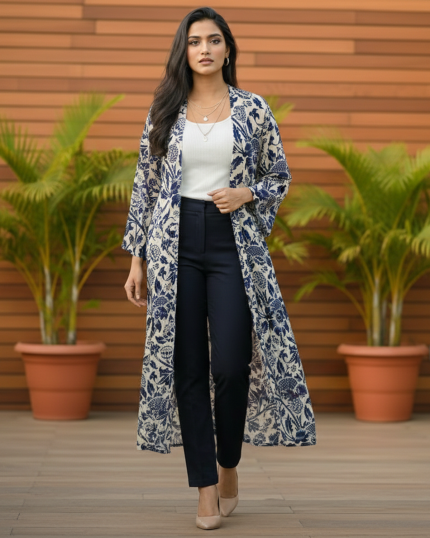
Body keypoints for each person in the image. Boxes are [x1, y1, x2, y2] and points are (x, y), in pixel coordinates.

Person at [122, 6, 317, 531]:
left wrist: (246, 192)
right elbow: (145, 184)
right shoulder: (165, 108)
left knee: (231, 364)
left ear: (228, 49)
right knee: (187, 368)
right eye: (194, 42)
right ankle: (205, 489)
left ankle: (228, 462)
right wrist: (137, 257)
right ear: (183, 51)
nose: (204, 49)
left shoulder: (253, 108)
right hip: (173, 244)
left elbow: (279, 175)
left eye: (213, 40)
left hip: (233, 243)